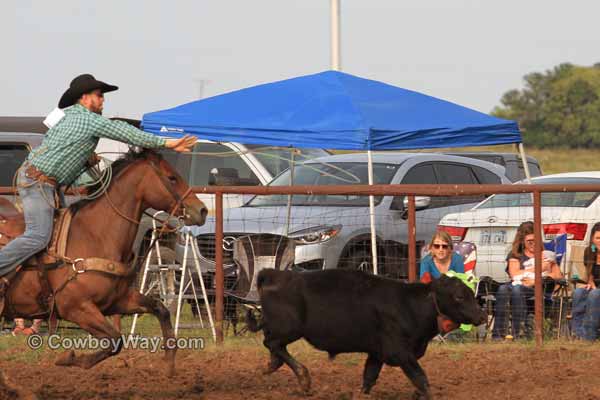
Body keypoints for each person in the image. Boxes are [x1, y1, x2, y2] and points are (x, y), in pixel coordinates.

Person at [0, 74, 198, 307]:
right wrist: (166, 142)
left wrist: (85, 162)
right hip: (38, 183)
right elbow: (120, 130)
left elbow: (67, 155)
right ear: (84, 98)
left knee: (67, 236)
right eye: (98, 95)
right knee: (39, 235)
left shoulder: (74, 120)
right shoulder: (86, 119)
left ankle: (56, 288)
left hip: (47, 184)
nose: (102, 100)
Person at [492, 221, 563, 340]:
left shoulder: (546, 254)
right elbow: (514, 274)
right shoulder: (515, 255)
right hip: (518, 284)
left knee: (517, 290)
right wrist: (539, 267)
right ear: (522, 241)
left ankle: (519, 333)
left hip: (539, 288)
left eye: (536, 240)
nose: (533, 244)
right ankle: (498, 335)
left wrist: (534, 280)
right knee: (502, 289)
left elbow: (557, 275)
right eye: (530, 241)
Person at [571, 222, 600, 340]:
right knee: (578, 292)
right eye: (598, 238)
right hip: (595, 288)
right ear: (592, 239)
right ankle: (578, 333)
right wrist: (590, 283)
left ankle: (590, 335)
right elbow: (590, 274)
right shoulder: (589, 252)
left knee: (594, 294)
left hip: (597, 292)